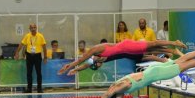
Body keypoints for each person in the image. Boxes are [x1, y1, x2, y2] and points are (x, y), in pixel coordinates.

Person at [58, 39, 187, 75]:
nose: (98, 64)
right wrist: (75, 70)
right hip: (128, 52)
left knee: (151, 45)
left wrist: (69, 66)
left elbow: (81, 60)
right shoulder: (100, 58)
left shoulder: (95, 50)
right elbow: (86, 64)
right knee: (148, 51)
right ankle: (171, 51)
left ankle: (173, 43)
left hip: (127, 47)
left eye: (97, 64)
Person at [14, 23, 47, 93]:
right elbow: (21, 44)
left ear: (36, 28)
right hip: (29, 56)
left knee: (39, 73)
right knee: (29, 73)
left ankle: (39, 88)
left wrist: (45, 57)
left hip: (37, 55)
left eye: (34, 27)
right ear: (29, 29)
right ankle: (29, 89)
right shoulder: (27, 36)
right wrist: (17, 52)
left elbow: (44, 47)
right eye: (31, 28)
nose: (33, 29)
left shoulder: (40, 36)